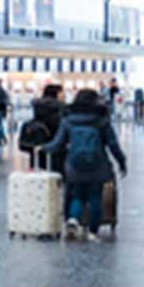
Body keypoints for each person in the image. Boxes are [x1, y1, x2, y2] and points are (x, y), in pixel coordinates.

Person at [51, 88, 127, 240]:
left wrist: (43, 148)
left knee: (77, 195)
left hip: (74, 165)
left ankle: (73, 219)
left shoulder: (68, 120)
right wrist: (122, 162)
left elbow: (57, 143)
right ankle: (93, 231)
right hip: (97, 165)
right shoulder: (101, 120)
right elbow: (113, 145)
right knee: (95, 197)